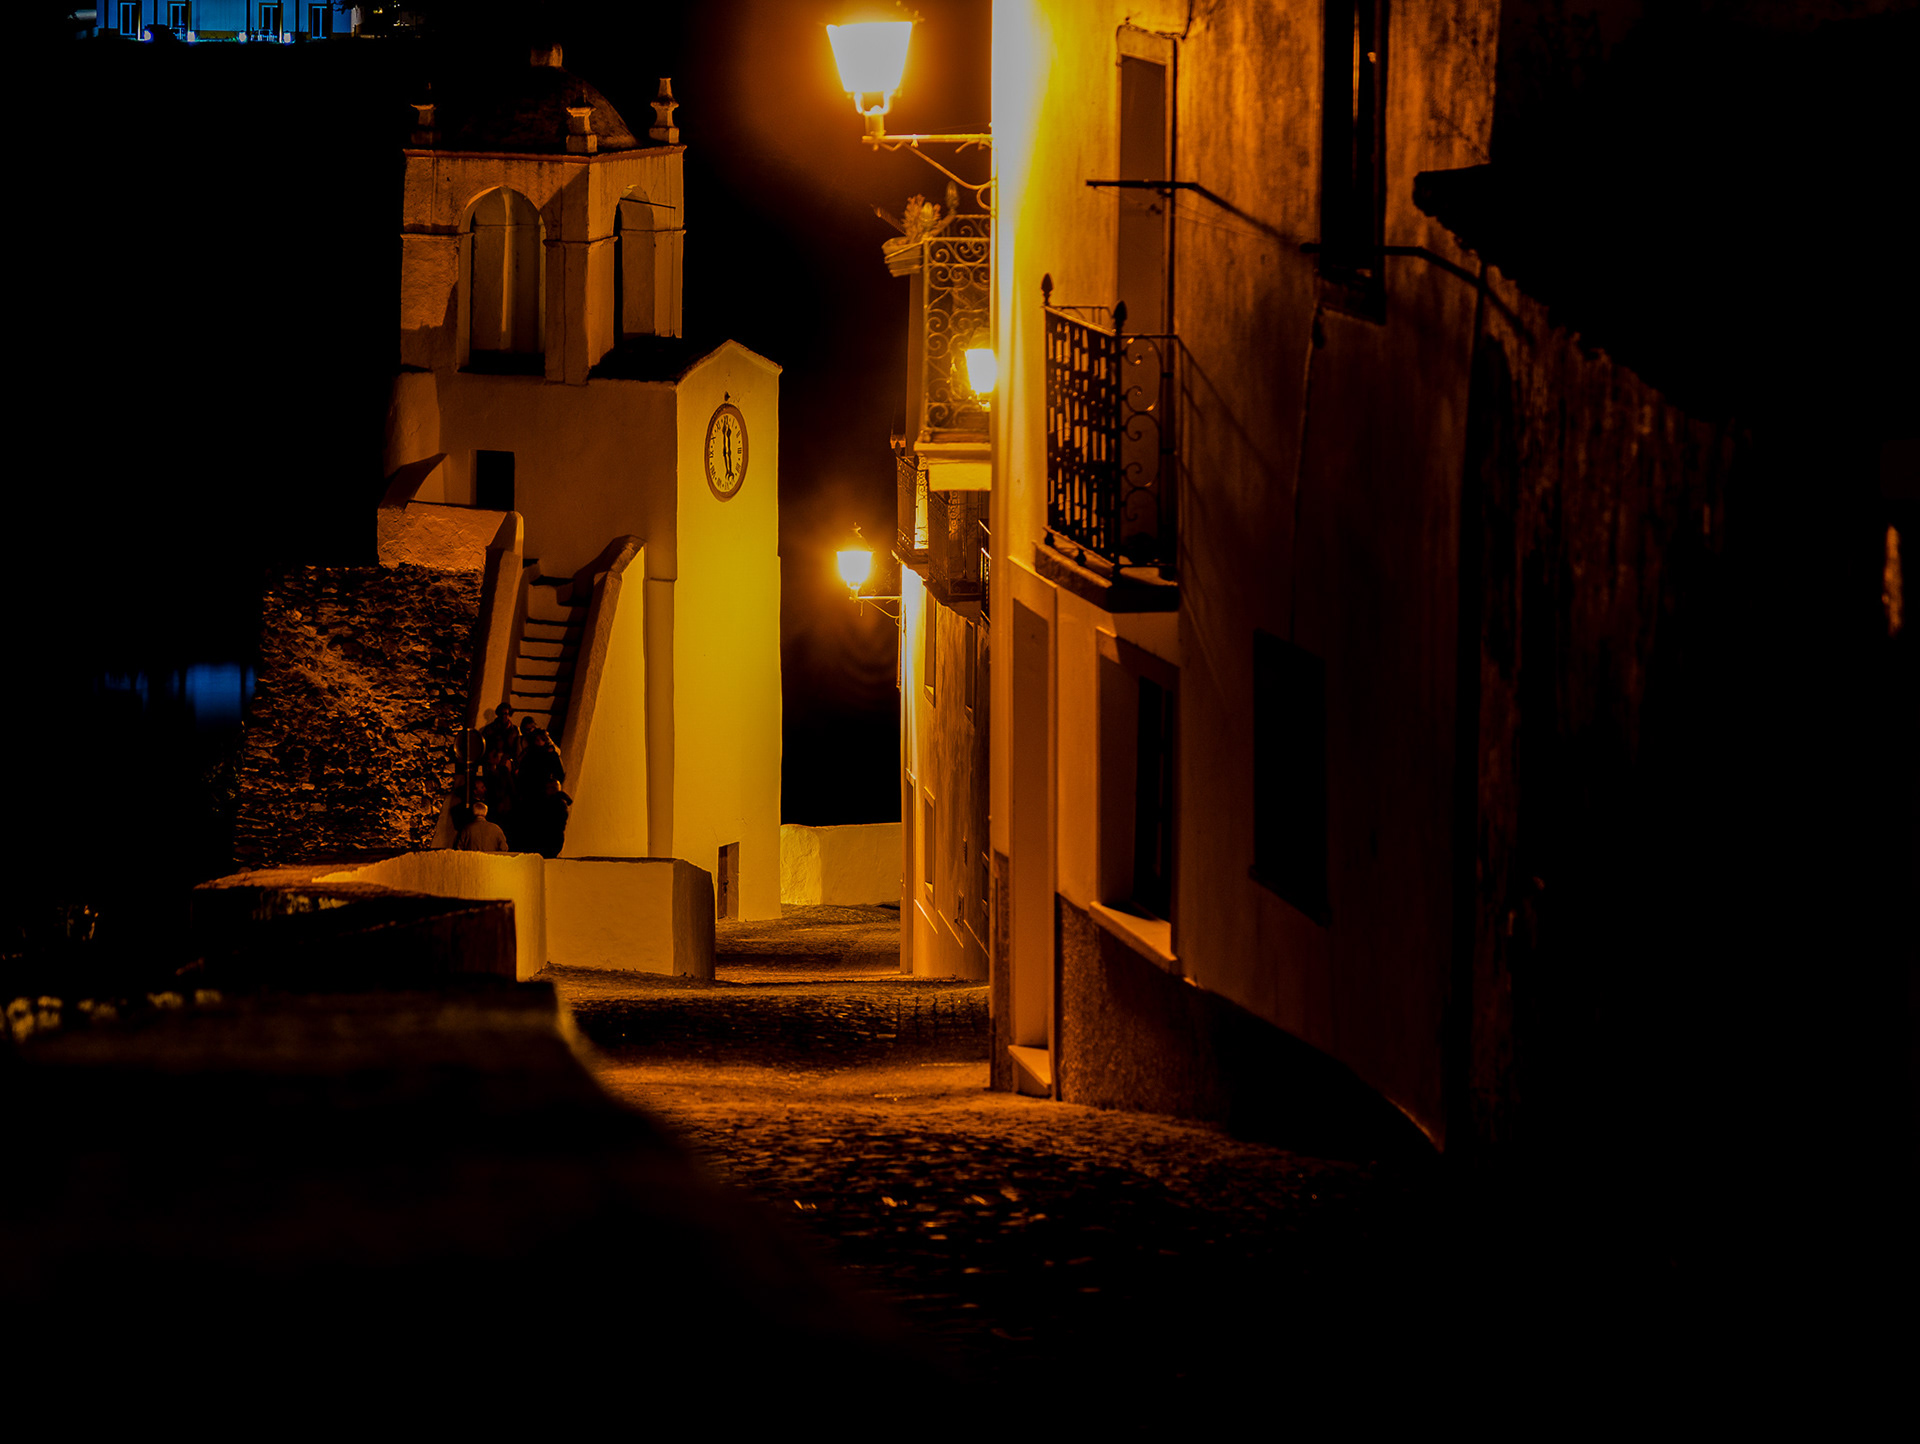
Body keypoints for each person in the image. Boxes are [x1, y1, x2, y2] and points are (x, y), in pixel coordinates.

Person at [514, 721, 569, 857]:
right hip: (532, 794)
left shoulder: (549, 755)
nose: (537, 742)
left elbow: (559, 774)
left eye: (540, 740)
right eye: (536, 740)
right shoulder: (531, 755)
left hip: (543, 794)